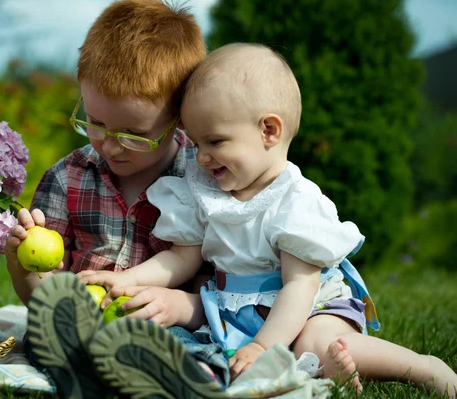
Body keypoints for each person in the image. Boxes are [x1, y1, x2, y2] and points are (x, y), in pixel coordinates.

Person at [79, 43, 457, 398]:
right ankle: (320, 372)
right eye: (196, 142)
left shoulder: (294, 201)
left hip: (309, 310)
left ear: (269, 131)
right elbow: (182, 259)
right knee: (180, 323)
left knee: (315, 342)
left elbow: (299, 287)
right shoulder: (204, 191)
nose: (202, 157)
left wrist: (263, 346)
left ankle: (423, 368)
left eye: (215, 141)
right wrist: (128, 279)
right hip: (235, 309)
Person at [5, 0, 227, 398]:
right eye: (95, 122)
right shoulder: (67, 177)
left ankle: (186, 380)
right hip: (82, 324)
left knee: (185, 345)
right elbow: (43, 295)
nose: (109, 144)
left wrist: (181, 305)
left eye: (133, 134)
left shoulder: (204, 180)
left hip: (165, 324)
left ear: (180, 120)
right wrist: (22, 266)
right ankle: (90, 371)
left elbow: (228, 285)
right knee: (45, 336)